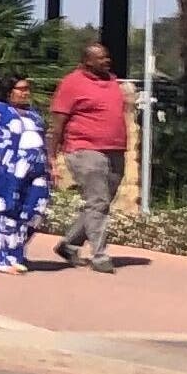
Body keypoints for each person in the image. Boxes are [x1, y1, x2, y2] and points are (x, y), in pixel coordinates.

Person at [46, 42, 130, 273]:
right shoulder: (71, 83)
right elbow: (58, 123)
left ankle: (69, 244)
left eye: (107, 57)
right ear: (87, 61)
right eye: (101, 58)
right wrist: (51, 155)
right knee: (98, 202)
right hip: (84, 150)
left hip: (114, 150)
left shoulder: (111, 81)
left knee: (100, 203)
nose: (107, 61)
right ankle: (100, 255)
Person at [0, 73, 52, 275]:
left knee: (35, 211)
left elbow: (43, 141)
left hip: (37, 170)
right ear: (9, 92)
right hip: (7, 169)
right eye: (21, 89)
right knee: (7, 212)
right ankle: (4, 258)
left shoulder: (34, 114)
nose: (26, 93)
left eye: (28, 89)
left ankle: (16, 252)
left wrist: (52, 165)